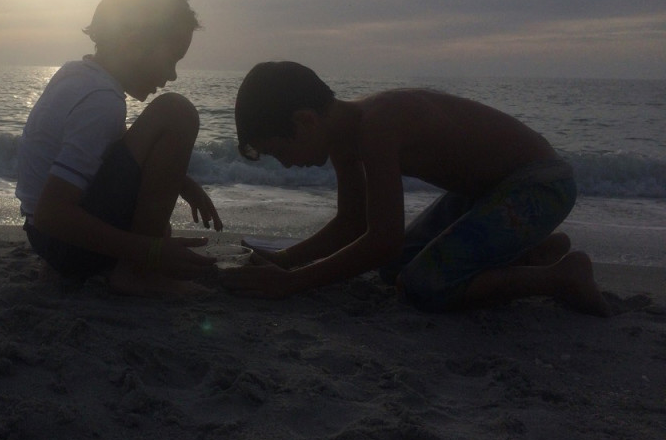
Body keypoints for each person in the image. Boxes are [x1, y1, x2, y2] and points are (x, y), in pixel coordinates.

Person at [221, 61, 608, 315]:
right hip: (489, 195)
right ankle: (535, 249)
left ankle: (561, 276)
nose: (286, 164)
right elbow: (354, 223)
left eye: (280, 151)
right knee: (393, 268)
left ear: (305, 120)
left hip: (540, 185)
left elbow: (383, 238)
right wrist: (285, 259)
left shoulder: (377, 125)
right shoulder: (342, 137)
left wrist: (292, 283)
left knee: (420, 284)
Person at [15, 0, 222, 297]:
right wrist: (150, 252)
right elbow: (52, 214)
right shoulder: (101, 101)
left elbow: (106, 144)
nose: (172, 75)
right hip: (63, 241)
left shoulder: (78, 76)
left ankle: (126, 265)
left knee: (155, 224)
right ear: (133, 42)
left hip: (48, 242)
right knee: (177, 112)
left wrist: (182, 181)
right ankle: (139, 273)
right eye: (171, 59)